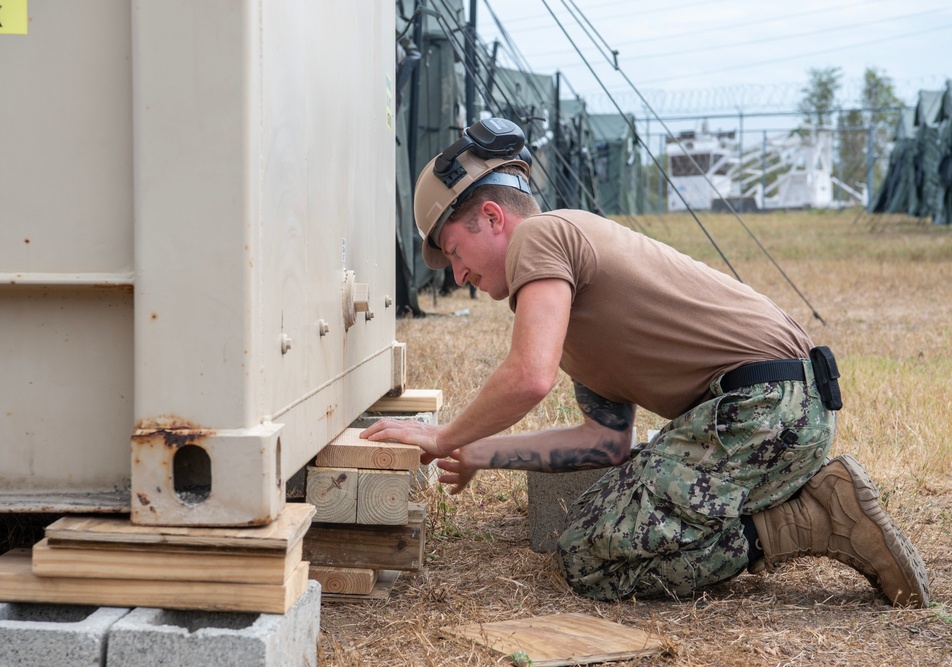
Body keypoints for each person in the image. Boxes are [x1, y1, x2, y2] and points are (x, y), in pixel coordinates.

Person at [362, 118, 930, 607]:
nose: (458, 276)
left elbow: (528, 377)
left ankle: (805, 521)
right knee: (595, 526)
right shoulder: (568, 296)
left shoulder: (540, 237)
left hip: (766, 407)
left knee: (588, 559)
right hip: (773, 409)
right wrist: (479, 451)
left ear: (491, 217)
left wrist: (441, 437)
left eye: (455, 252)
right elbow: (604, 442)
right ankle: (794, 499)